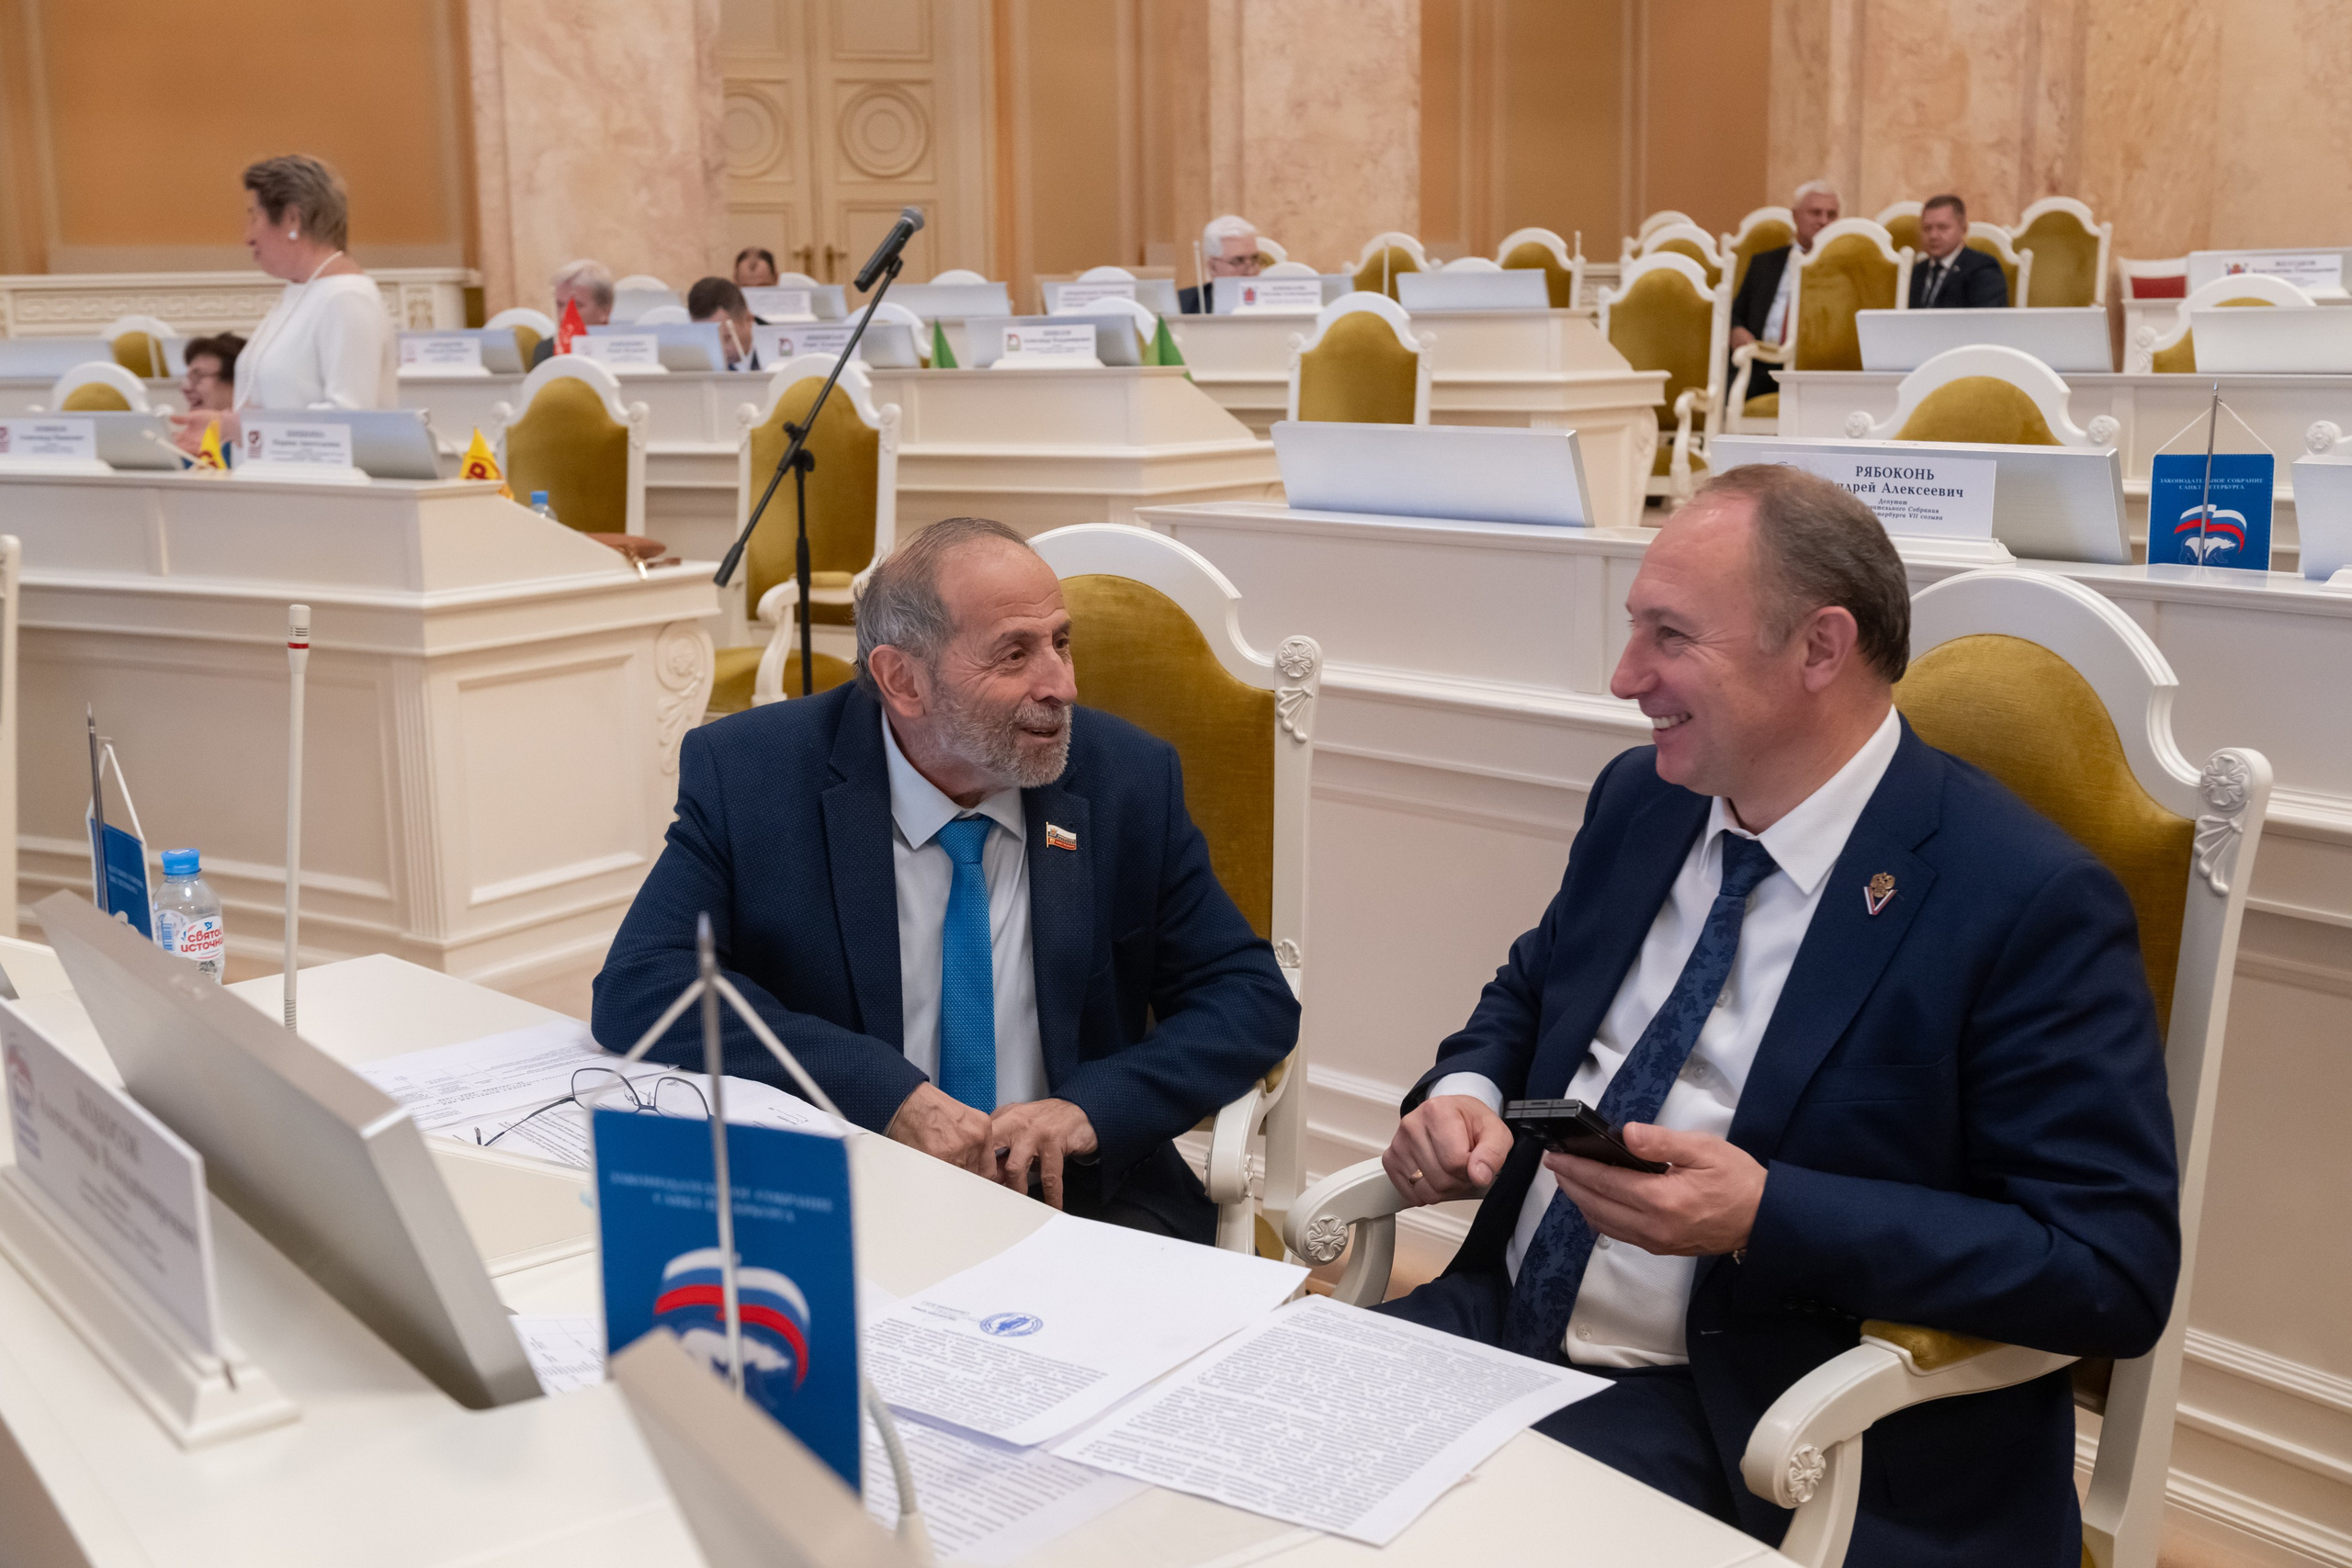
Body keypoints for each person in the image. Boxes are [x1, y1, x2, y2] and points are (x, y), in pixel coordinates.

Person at [1373, 464, 2179, 1566]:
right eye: (1631, 629)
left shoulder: (2025, 902)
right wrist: (1465, 1091)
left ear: (1819, 648)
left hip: (1757, 1422)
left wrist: (1768, 1217)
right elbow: (1528, 991)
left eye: (1669, 636)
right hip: (1499, 1329)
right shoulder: (1642, 798)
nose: (1624, 677)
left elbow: (2108, 1269)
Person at [594, 516, 1299, 1243]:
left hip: (1081, 1206)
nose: (1061, 684)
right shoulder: (754, 774)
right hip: (852, 1195)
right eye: (1015, 654)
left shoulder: (1126, 778)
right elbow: (642, 984)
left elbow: (1248, 997)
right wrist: (886, 1093)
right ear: (902, 679)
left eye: (1061, 641)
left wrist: (1090, 1108)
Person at [170, 155, 391, 454]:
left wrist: (238, 429)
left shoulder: (346, 298)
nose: (248, 237)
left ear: (292, 220)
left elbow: (350, 422)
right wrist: (224, 427)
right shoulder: (301, 290)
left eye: (254, 217)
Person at [1726, 181, 1841, 403]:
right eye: (1815, 213)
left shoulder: (1843, 269)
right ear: (1795, 216)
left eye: (1832, 214)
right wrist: (1737, 329)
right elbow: (1735, 311)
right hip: (1757, 363)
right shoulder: (1764, 263)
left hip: (1811, 372)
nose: (1823, 221)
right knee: (1727, 392)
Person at [1908, 194, 2007, 308]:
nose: (1933, 235)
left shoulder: (1982, 269)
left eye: (1942, 227)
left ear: (1963, 228)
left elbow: (1987, 321)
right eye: (1927, 228)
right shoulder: (1917, 271)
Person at [528, 260, 615, 367]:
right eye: (560, 305)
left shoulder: (622, 350)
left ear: (605, 311)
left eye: (577, 306)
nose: (563, 315)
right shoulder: (546, 351)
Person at [1178, 214, 1263, 314]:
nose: (1251, 271)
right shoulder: (1183, 306)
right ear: (1213, 267)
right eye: (1238, 261)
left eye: (1255, 259)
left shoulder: (1277, 302)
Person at [687, 276, 760, 370]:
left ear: (749, 320)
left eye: (726, 338)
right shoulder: (692, 361)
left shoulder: (779, 356)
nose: (718, 350)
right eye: (707, 340)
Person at [178, 333, 244, 414]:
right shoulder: (208, 426)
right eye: (189, 378)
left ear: (235, 380)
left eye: (197, 377)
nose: (186, 389)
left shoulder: (257, 425)